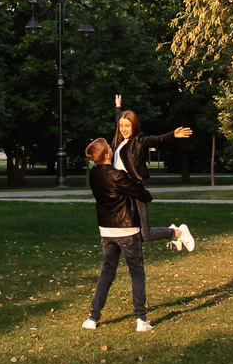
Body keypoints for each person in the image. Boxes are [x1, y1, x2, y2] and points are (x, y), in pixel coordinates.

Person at [83, 114, 197, 333]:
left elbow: (153, 139)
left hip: (108, 226)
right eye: (121, 126)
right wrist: (145, 195)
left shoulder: (96, 173)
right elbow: (139, 191)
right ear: (107, 153)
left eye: (127, 125)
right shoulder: (117, 169)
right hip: (125, 220)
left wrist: (172, 134)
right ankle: (141, 320)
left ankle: (92, 318)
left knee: (109, 270)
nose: (122, 130)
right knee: (137, 267)